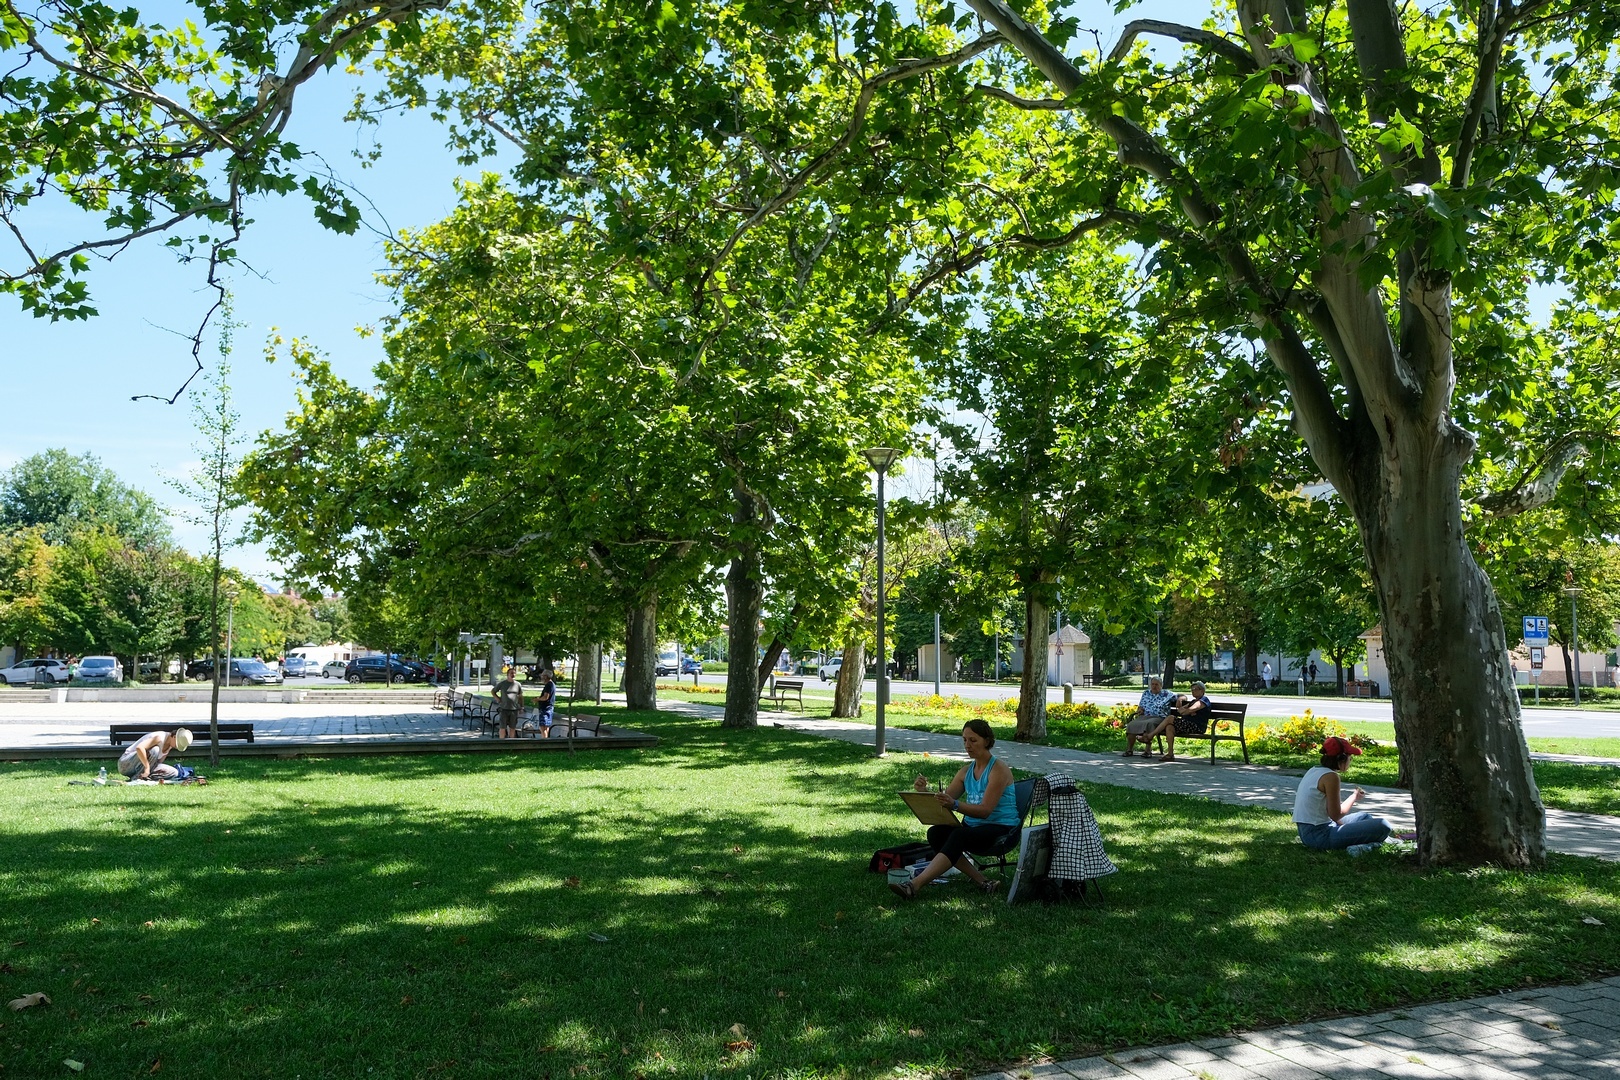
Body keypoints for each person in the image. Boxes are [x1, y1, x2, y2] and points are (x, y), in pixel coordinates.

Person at [890, 719, 1020, 900]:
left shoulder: (998, 769)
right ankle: (983, 881)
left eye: (973, 740)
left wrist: (956, 805)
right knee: (936, 833)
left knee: (959, 835)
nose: (967, 745)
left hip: (1002, 828)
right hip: (974, 828)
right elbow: (943, 802)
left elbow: (985, 811)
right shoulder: (966, 771)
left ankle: (914, 885)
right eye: (964, 740)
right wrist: (924, 791)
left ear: (987, 741)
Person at [1292, 736, 1391, 853]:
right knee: (1383, 825)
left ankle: (1371, 841)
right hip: (1319, 836)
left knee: (1364, 817)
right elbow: (1336, 815)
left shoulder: (1314, 770)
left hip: (1312, 831)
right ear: (1342, 758)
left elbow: (1330, 814)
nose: (1350, 760)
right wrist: (1354, 797)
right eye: (1350, 757)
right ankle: (1368, 845)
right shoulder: (1331, 777)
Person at [1146, 680, 1211, 762]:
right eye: (1192, 689)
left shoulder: (1203, 700)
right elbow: (1180, 710)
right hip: (1187, 725)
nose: (1193, 691)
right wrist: (1188, 711)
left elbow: (1188, 710)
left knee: (1170, 718)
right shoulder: (1193, 701)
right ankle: (1170, 754)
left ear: (1202, 690)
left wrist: (1188, 711)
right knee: (1169, 727)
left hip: (1196, 727)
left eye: (1195, 689)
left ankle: (1150, 736)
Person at [1123, 676, 1175, 756]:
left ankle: (1148, 750)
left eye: (1156, 684)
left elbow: (1181, 696)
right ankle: (1129, 749)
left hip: (1160, 717)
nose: (1154, 686)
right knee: (1131, 724)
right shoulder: (1146, 693)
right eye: (1152, 684)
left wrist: (1181, 699)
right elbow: (1141, 706)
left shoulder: (1167, 694)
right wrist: (1140, 709)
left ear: (1161, 685)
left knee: (1149, 724)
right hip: (1145, 716)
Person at [118, 728, 192, 781]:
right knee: (155, 750)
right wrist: (147, 767)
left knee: (174, 772)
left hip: (142, 768)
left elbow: (157, 763)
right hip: (126, 763)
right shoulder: (159, 738)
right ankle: (138, 777)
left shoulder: (169, 746)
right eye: (177, 744)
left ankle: (142, 777)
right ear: (174, 736)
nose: (176, 746)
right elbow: (139, 748)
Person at [491, 672, 523, 739]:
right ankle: (502, 741)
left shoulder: (518, 684)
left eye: (514, 673)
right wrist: (498, 698)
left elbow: (520, 696)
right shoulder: (502, 684)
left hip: (514, 709)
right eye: (511, 673)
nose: (513, 675)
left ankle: (511, 741)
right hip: (504, 709)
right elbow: (493, 691)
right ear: (507, 675)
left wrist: (521, 707)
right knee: (502, 727)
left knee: (512, 727)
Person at [534, 668, 556, 737]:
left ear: (546, 676)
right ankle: (545, 739)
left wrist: (538, 699)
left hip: (545, 708)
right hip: (549, 708)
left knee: (542, 727)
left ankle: (544, 740)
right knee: (546, 727)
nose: (541, 676)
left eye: (542, 675)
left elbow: (545, 697)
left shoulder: (548, 685)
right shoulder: (552, 684)